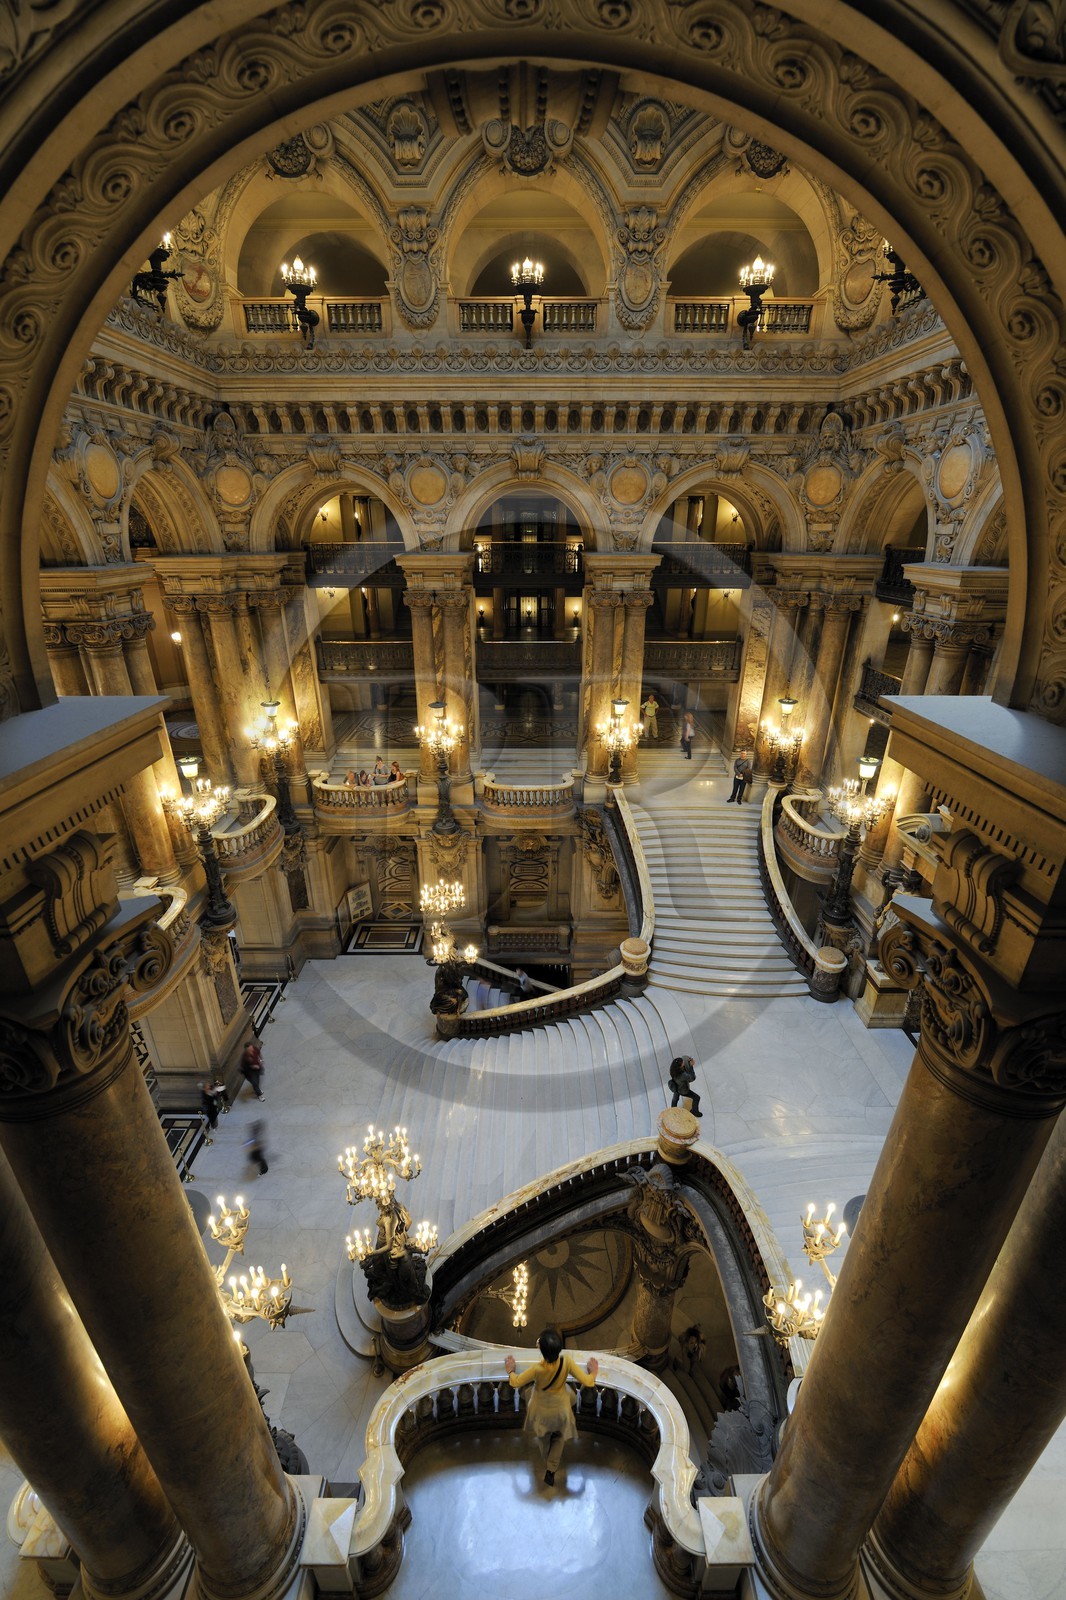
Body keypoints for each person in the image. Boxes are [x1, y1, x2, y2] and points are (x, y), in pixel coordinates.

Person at [505, 1328, 599, 1486]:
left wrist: (510, 1371)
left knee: (544, 1440)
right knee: (559, 1438)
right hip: (561, 1410)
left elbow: (515, 1382)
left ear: (541, 1351)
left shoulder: (537, 1369)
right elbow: (588, 1382)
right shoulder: (567, 1361)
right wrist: (593, 1372)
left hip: (541, 1411)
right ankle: (551, 1469)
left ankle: (547, 1461)